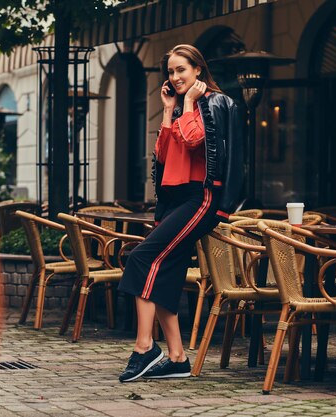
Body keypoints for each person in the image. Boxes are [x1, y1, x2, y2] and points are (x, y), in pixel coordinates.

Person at [118, 44, 243, 382]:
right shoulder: (180, 105)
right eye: (170, 72)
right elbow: (161, 154)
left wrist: (186, 105)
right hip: (174, 200)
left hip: (200, 197)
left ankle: (145, 347)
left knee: (142, 259)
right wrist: (169, 108)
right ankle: (176, 358)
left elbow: (193, 141)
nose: (174, 78)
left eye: (180, 71)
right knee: (165, 272)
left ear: (198, 70)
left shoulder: (214, 103)